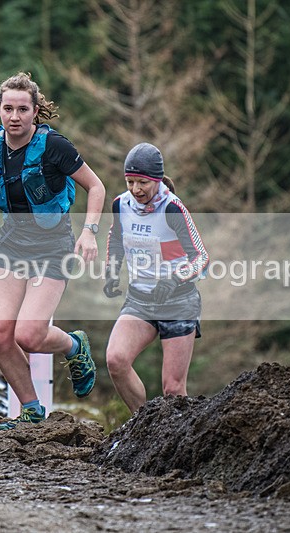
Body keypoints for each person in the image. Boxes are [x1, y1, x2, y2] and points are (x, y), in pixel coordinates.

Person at [0, 72, 106, 430]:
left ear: (35, 111)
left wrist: (89, 232)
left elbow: (96, 186)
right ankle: (30, 410)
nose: (15, 116)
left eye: (22, 109)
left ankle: (74, 346)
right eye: (8, 108)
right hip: (11, 243)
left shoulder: (55, 147)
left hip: (53, 246)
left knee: (28, 334)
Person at [102, 142, 209, 413]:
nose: (136, 190)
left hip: (177, 302)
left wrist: (174, 279)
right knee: (116, 360)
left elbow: (201, 258)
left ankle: (178, 442)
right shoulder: (121, 204)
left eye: (142, 183)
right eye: (130, 181)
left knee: (172, 389)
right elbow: (116, 237)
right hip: (140, 300)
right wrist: (112, 271)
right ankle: (144, 425)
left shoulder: (172, 208)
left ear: (157, 180)